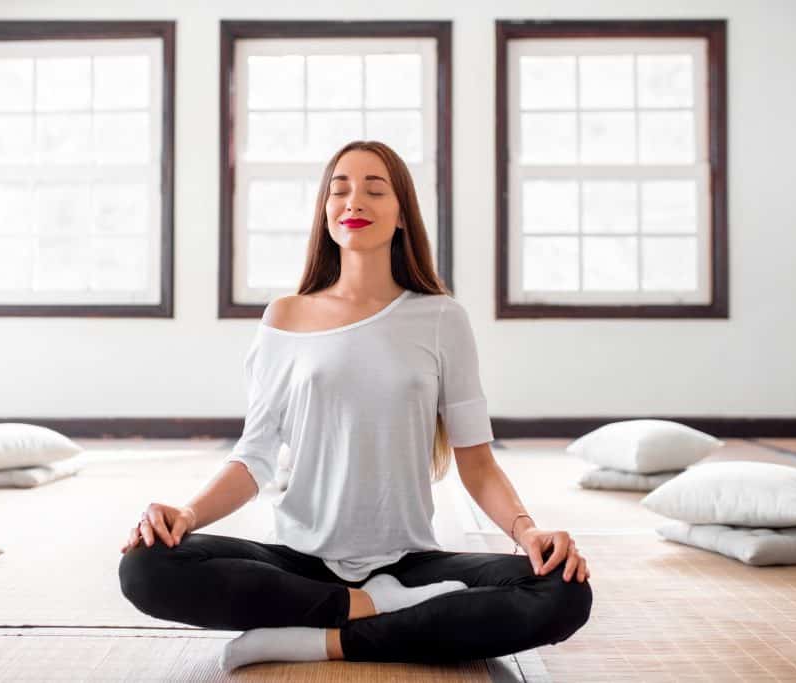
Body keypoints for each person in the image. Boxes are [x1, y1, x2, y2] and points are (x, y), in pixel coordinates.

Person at [118, 140, 592, 671]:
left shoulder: (441, 318)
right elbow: (253, 458)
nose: (354, 201)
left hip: (410, 564)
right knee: (145, 568)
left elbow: (477, 463)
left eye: (374, 189)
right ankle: (367, 611)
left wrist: (528, 532)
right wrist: (185, 512)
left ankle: (324, 639)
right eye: (339, 189)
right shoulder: (286, 317)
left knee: (564, 591)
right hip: (299, 560)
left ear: (402, 215)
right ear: (325, 214)